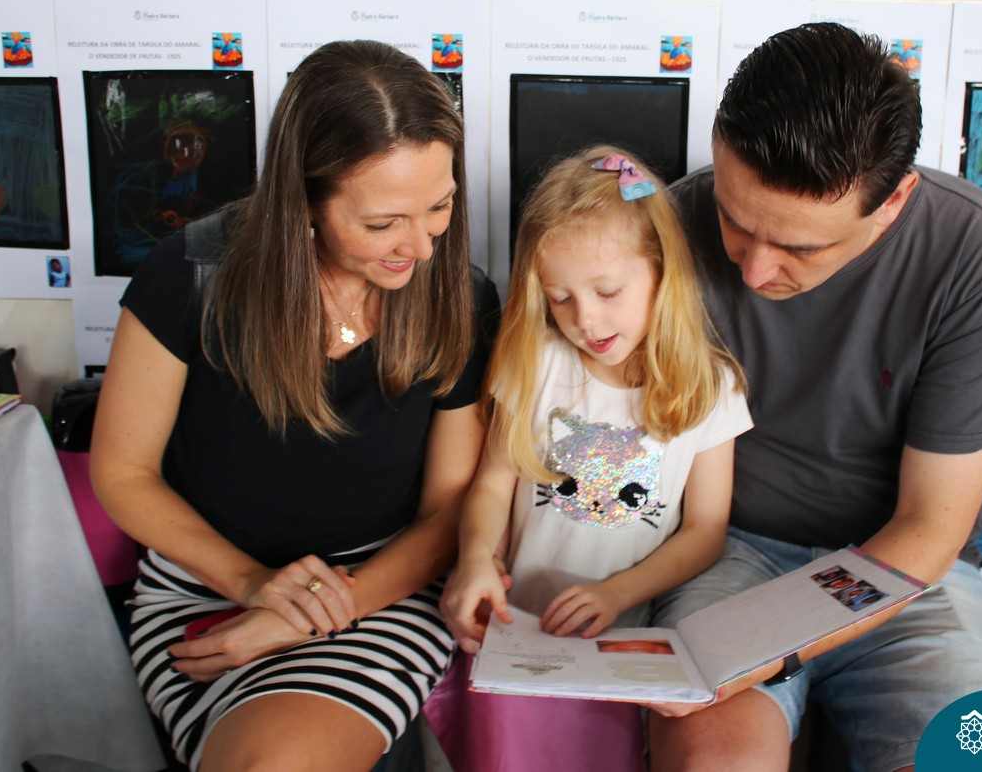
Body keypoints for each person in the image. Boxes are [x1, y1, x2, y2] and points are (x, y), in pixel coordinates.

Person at [90, 40, 498, 772]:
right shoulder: (188, 274)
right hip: (205, 581)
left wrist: (310, 614)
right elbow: (123, 473)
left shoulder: (461, 296)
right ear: (303, 201)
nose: (421, 247)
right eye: (382, 223)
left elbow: (448, 512)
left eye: (439, 206)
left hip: (382, 587)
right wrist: (253, 587)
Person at [649, 22, 982, 772]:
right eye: (733, 220)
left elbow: (930, 527)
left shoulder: (975, 255)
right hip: (727, 549)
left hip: (905, 571)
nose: (755, 271)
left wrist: (772, 646)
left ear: (893, 202)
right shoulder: (666, 226)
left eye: (801, 247)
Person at [428, 147, 752, 771]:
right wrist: (474, 558)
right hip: (516, 630)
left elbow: (706, 531)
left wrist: (616, 592)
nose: (586, 319)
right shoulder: (538, 365)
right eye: (560, 298)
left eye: (607, 291)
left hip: (621, 644)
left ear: (662, 272)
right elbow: (492, 484)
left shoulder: (712, 389)